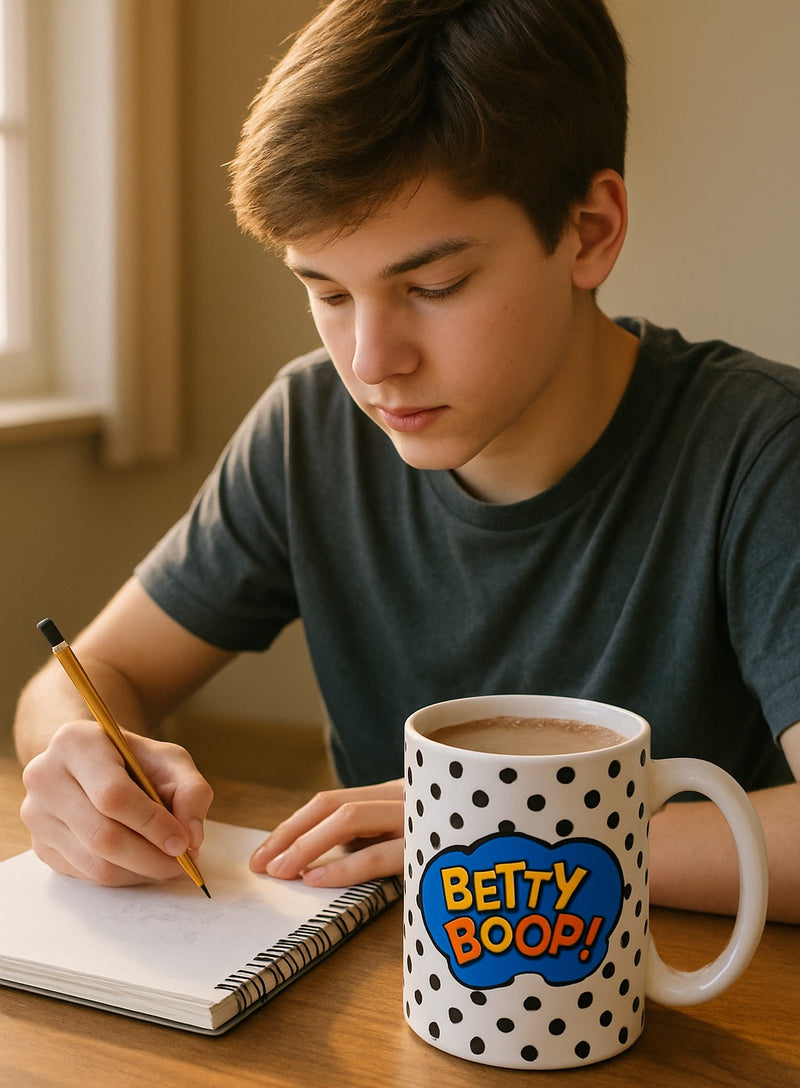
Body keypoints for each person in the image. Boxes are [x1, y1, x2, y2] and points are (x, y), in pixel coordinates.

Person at [13, 0, 800, 921]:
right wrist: (82, 762)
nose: (371, 362)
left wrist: (494, 836)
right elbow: (87, 675)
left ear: (589, 231)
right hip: (394, 975)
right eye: (328, 293)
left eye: (433, 286)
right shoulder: (310, 427)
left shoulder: (762, 449)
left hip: (680, 988)